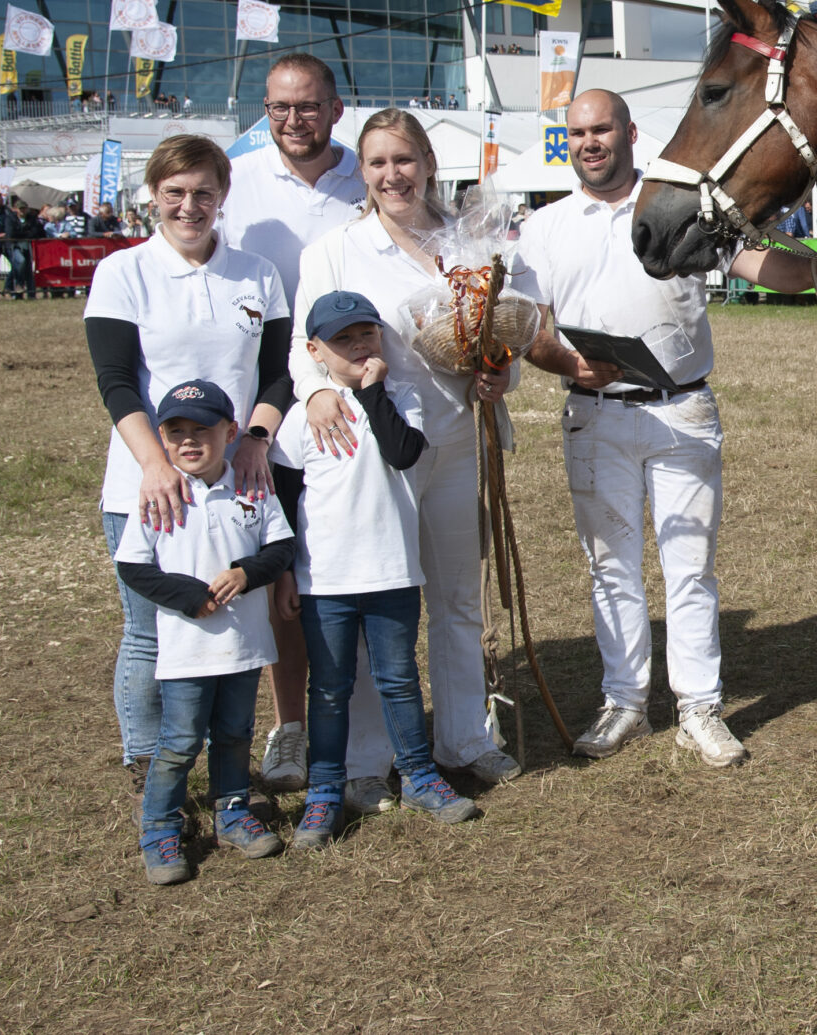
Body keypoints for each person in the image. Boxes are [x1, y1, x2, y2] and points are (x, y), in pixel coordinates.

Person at [514, 89, 817, 766]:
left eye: (601, 128)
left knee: (689, 567)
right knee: (611, 567)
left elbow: (761, 265)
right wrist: (569, 364)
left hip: (682, 413)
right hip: (595, 416)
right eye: (578, 132)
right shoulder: (543, 228)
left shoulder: (685, 211)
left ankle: (700, 706)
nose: (590, 142)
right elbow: (527, 324)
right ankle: (625, 703)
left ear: (631, 131)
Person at [292, 108, 521, 797]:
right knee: (370, 603)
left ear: (426, 162)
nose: (393, 175)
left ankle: (463, 738)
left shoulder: (465, 244)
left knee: (457, 598)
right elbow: (303, 350)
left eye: (404, 159)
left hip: (457, 441)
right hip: (375, 457)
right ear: (361, 173)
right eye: (377, 163)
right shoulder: (336, 249)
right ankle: (366, 759)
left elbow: (497, 330)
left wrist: (500, 370)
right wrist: (313, 395)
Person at [83, 135, 292, 800]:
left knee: (229, 623)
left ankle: (228, 769)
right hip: (148, 484)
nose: (189, 205)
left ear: (223, 194)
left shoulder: (257, 273)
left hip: (234, 486)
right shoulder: (123, 272)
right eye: (175, 192)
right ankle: (150, 765)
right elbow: (116, 380)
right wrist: (154, 464)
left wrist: (257, 437)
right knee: (152, 627)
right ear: (154, 196)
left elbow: (278, 372)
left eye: (203, 191)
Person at [273, 290, 479, 848]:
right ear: (315, 350)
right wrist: (287, 570)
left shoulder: (402, 397)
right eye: (343, 340)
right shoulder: (301, 418)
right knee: (332, 689)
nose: (359, 345)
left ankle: (419, 777)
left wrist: (372, 391)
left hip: (391, 572)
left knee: (398, 681)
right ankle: (323, 792)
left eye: (367, 333)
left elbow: (403, 452)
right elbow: (284, 501)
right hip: (326, 581)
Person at [219, 50, 369, 792]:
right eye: (279, 107)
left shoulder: (366, 177)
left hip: (353, 413)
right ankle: (289, 726)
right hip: (265, 416)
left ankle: (365, 722)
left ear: (336, 108)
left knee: (354, 569)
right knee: (281, 581)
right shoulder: (237, 186)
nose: (292, 120)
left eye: (307, 105)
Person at [113, 379, 295, 885]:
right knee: (179, 741)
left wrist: (246, 572)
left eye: (203, 430)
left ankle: (233, 813)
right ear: (162, 439)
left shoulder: (253, 489)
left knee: (235, 735)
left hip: (242, 648)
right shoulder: (158, 496)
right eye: (176, 433)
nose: (190, 442)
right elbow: (132, 566)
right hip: (187, 654)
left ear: (231, 431)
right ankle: (159, 827)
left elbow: (280, 549)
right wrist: (188, 597)